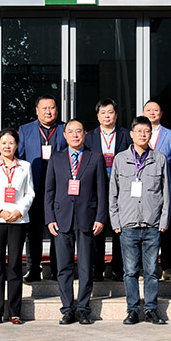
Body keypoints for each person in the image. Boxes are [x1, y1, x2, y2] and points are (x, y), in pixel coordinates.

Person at [45, 120, 108, 325]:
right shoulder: (56, 158)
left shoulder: (95, 157)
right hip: (61, 218)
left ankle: (83, 308)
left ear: (84, 134)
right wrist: (49, 218)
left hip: (87, 218)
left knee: (86, 266)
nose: (74, 135)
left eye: (78, 131)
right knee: (63, 266)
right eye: (70, 131)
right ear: (64, 135)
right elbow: (49, 191)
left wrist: (100, 217)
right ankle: (67, 308)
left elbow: (102, 190)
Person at [109, 116, 170, 325]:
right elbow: (113, 193)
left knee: (152, 271)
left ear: (151, 134)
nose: (143, 135)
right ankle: (133, 310)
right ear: (132, 134)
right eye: (139, 131)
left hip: (152, 224)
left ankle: (151, 309)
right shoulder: (120, 159)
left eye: (147, 131)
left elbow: (166, 192)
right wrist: (115, 221)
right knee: (130, 271)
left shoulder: (159, 158)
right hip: (127, 225)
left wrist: (163, 221)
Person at [0, 129, 35, 325]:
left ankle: (14, 311)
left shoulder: (25, 166)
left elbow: (29, 193)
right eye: (3, 142)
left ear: (17, 145)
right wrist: (0, 211)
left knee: (14, 265)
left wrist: (20, 211)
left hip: (18, 220)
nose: (7, 146)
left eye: (11, 142)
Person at [17, 95, 67, 282]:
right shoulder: (25, 130)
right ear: (37, 110)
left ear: (57, 110)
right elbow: (20, 158)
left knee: (58, 231)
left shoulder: (64, 129)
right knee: (33, 232)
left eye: (52, 108)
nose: (48, 111)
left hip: (59, 189)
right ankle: (33, 269)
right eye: (44, 108)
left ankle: (57, 269)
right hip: (34, 188)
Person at [84, 98, 132, 281]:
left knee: (120, 230)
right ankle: (97, 269)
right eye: (103, 113)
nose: (107, 116)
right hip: (96, 189)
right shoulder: (89, 137)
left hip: (121, 190)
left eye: (110, 112)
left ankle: (118, 269)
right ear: (97, 116)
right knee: (97, 229)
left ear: (116, 115)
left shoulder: (126, 135)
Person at [142, 99, 171, 281]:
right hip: (143, 190)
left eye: (155, 110)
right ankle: (146, 267)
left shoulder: (170, 135)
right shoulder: (138, 133)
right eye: (148, 110)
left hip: (165, 186)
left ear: (161, 114)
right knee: (145, 228)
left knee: (166, 228)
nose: (152, 113)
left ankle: (168, 267)